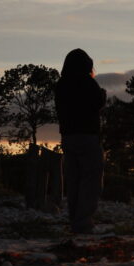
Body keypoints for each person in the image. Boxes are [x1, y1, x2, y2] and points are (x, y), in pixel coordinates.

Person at [54, 49, 106, 235]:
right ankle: (83, 223)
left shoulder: (61, 85)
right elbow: (96, 105)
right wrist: (103, 95)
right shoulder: (88, 82)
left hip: (68, 137)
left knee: (74, 180)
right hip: (88, 136)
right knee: (91, 181)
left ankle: (75, 221)